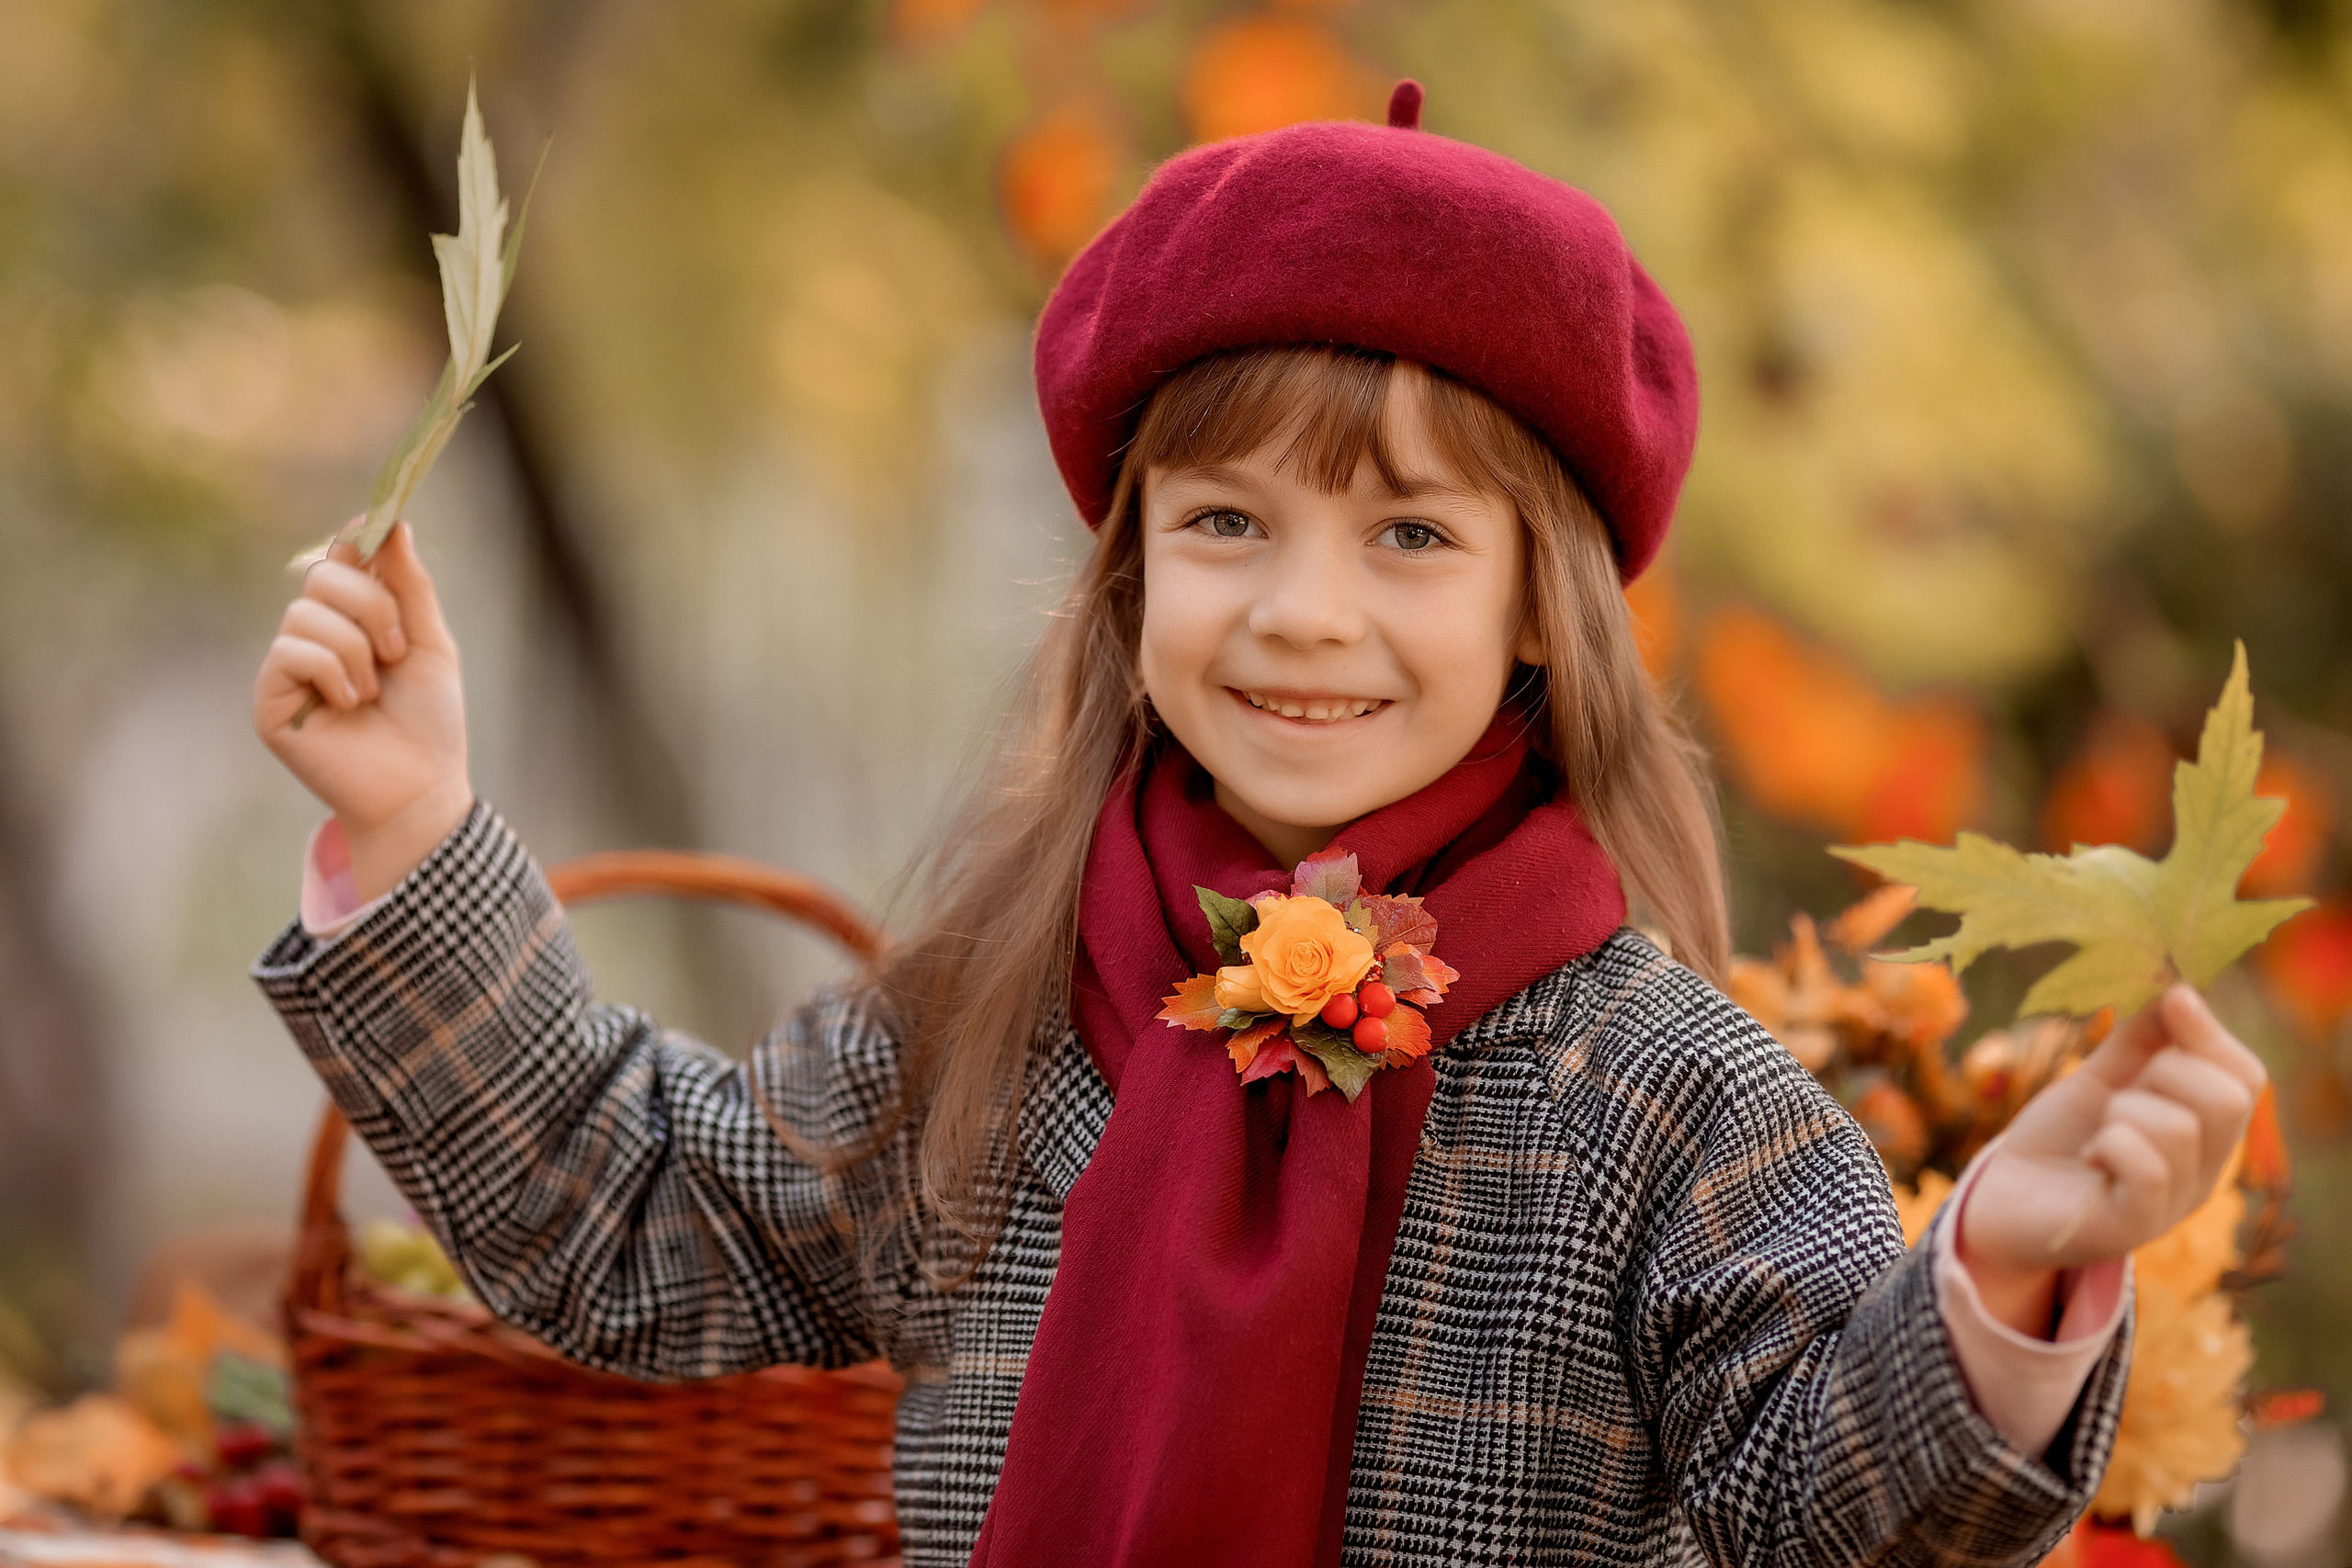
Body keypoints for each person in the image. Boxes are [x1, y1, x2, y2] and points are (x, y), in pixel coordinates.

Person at [251, 83, 2264, 1568]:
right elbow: (626, 1216)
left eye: (1407, 533)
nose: (1303, 609)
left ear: (1530, 614)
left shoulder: (1665, 1100)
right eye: (1226, 522)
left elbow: (1831, 1505)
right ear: (1132, 579)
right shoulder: (982, 1034)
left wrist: (1997, 1270)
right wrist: (418, 817)